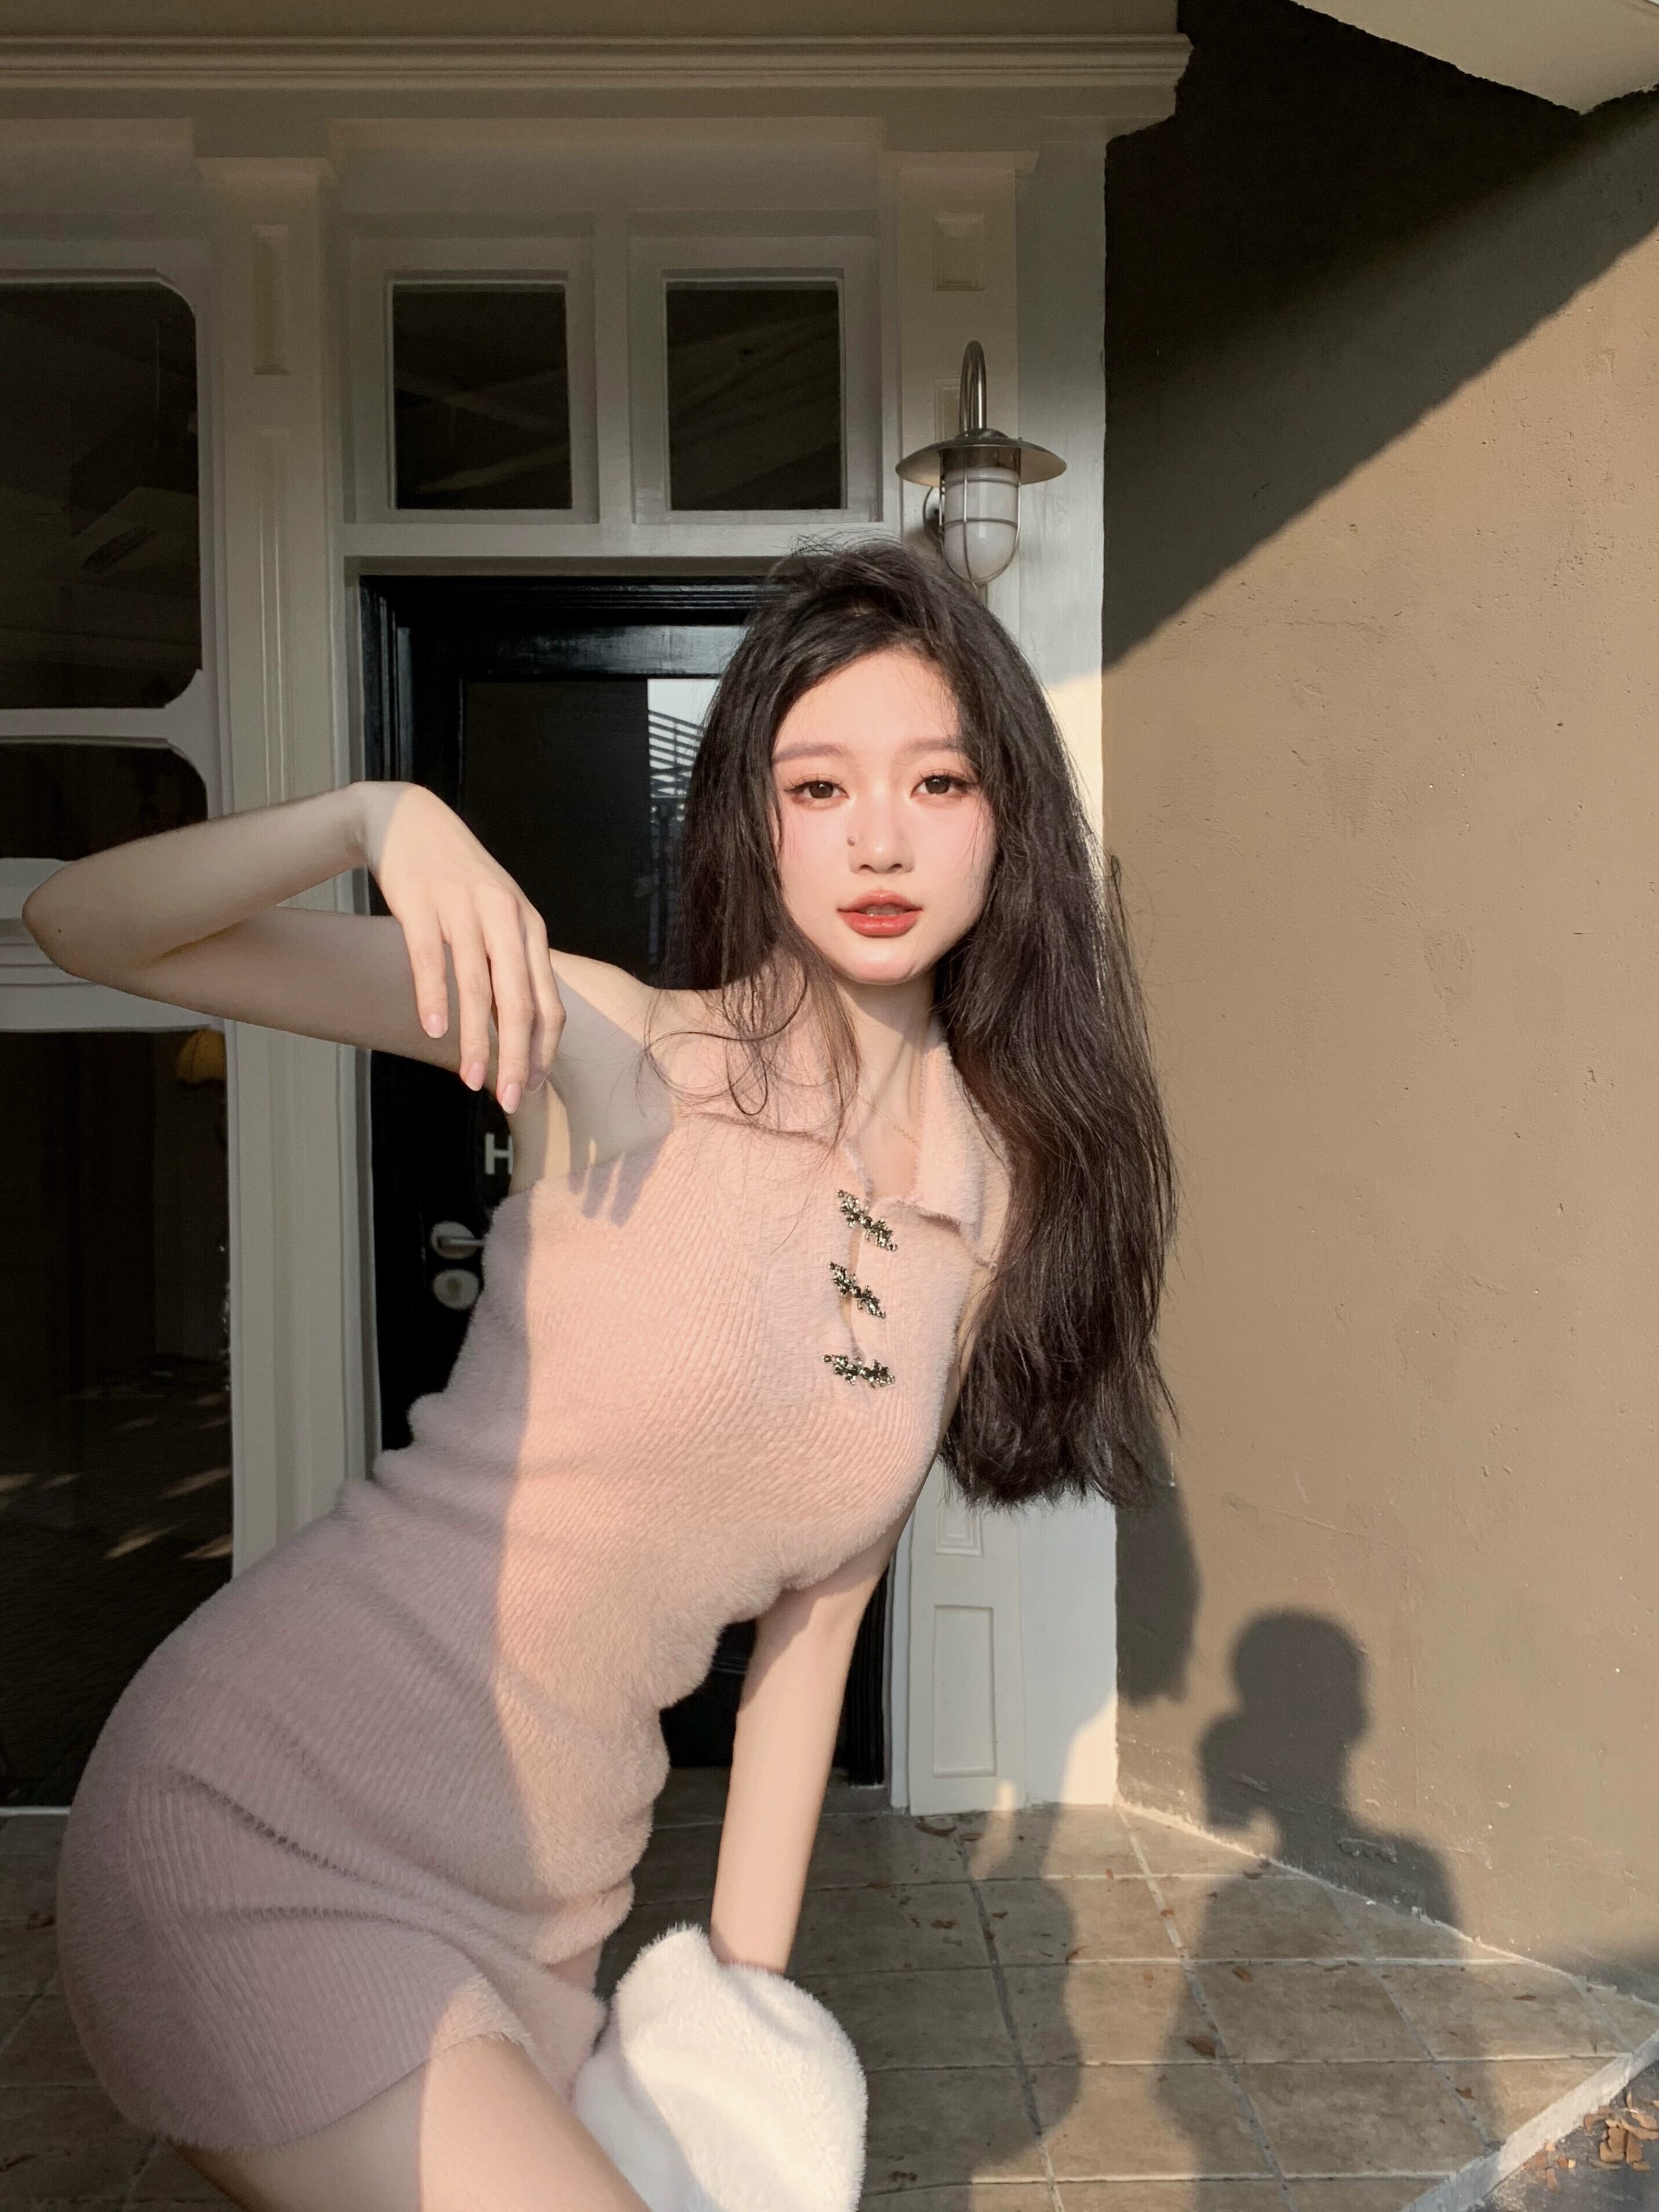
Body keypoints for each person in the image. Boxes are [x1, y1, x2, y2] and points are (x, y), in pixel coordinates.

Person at [22, 536, 1178, 2212]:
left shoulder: (988, 1201)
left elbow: (814, 1640)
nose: (877, 838)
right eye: (818, 785)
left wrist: (741, 2035)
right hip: (269, 1810)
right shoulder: (613, 1041)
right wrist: (373, 820)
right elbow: (84, 926)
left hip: (541, 1906)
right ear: (754, 821)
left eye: (937, 781)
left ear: (1008, 820)